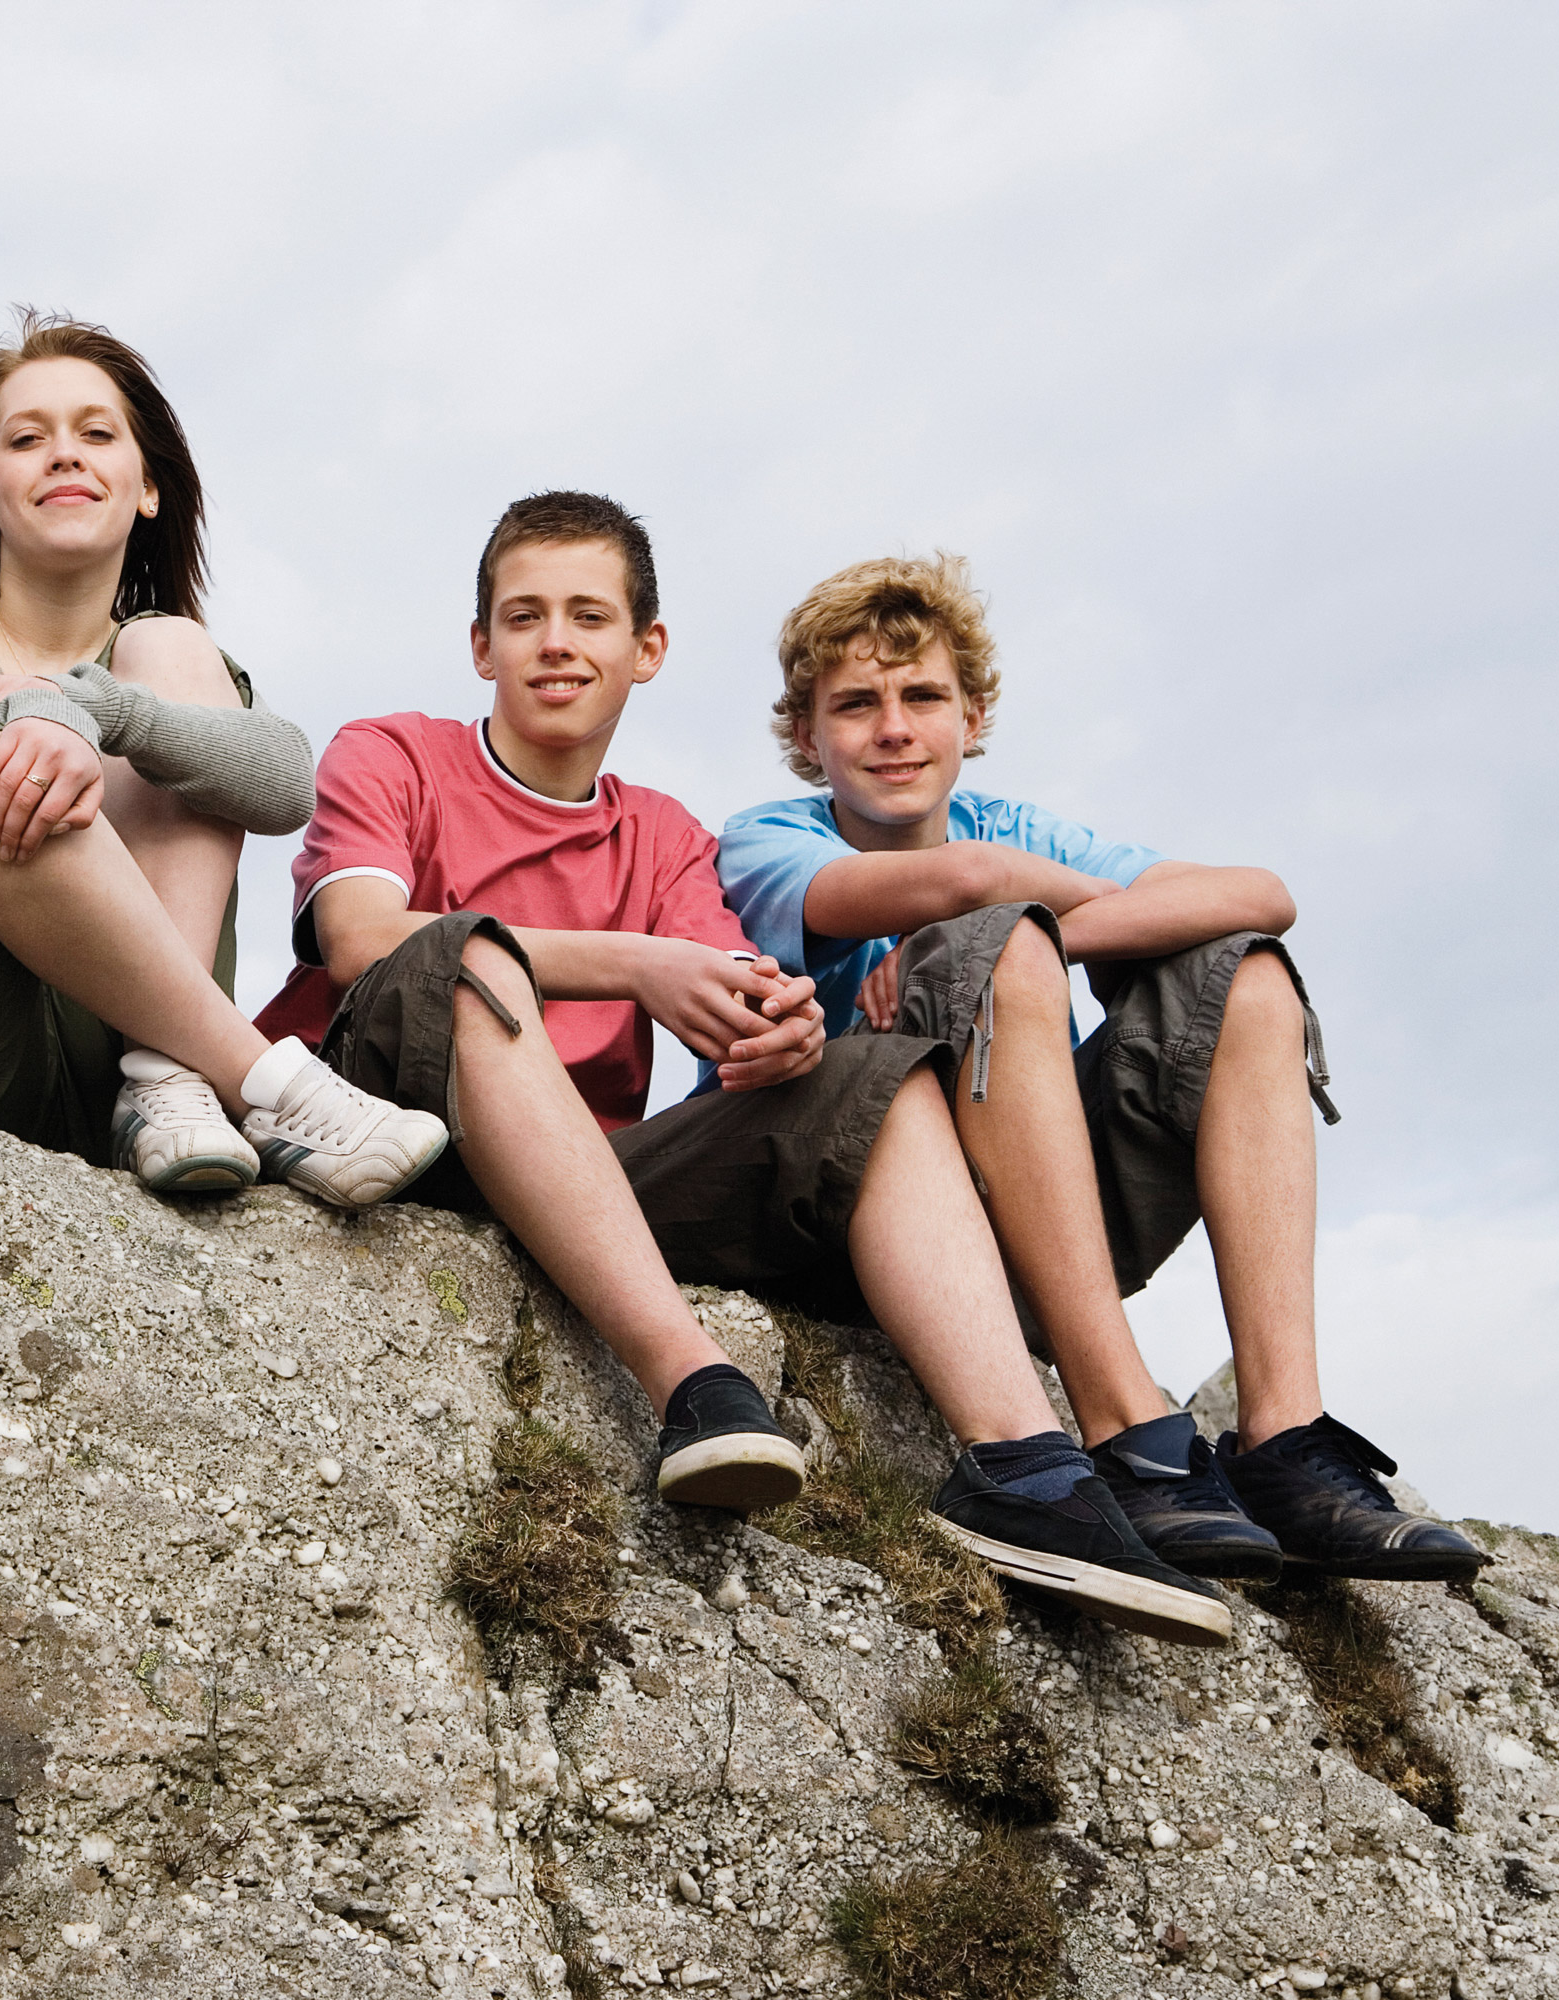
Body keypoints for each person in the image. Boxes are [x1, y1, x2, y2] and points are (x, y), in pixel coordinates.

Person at [260, 491, 1236, 1646]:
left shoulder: (668, 831)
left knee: (872, 1074)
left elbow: (731, 982)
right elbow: (362, 939)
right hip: (391, 1117)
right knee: (467, 957)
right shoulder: (394, 752)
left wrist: (782, 1028)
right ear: (482, 645)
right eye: (524, 617)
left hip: (582, 1174)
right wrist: (638, 965)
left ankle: (1025, 1468)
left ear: (647, 649)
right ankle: (694, 1381)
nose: (557, 642)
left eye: (589, 615)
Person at [715, 553, 1485, 1583]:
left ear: (974, 714)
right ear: (807, 737)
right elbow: (971, 877)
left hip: (1029, 1219)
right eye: (855, 704)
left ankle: (1286, 1437)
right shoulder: (768, 838)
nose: (893, 727)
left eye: (923, 695)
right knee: (1003, 933)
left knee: (1245, 980)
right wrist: (1035, 920)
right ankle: (1126, 1425)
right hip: (868, 1229)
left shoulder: (1018, 826)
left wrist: (1065, 933)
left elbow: (1261, 893)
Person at [0, 314, 446, 1206]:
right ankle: (276, 1086)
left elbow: (284, 783)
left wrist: (96, 711)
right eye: (27, 438)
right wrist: (39, 713)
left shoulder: (168, 660)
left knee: (169, 653)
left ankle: (164, 1072)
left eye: (95, 433)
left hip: (133, 1088)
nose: (64, 456)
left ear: (147, 489)